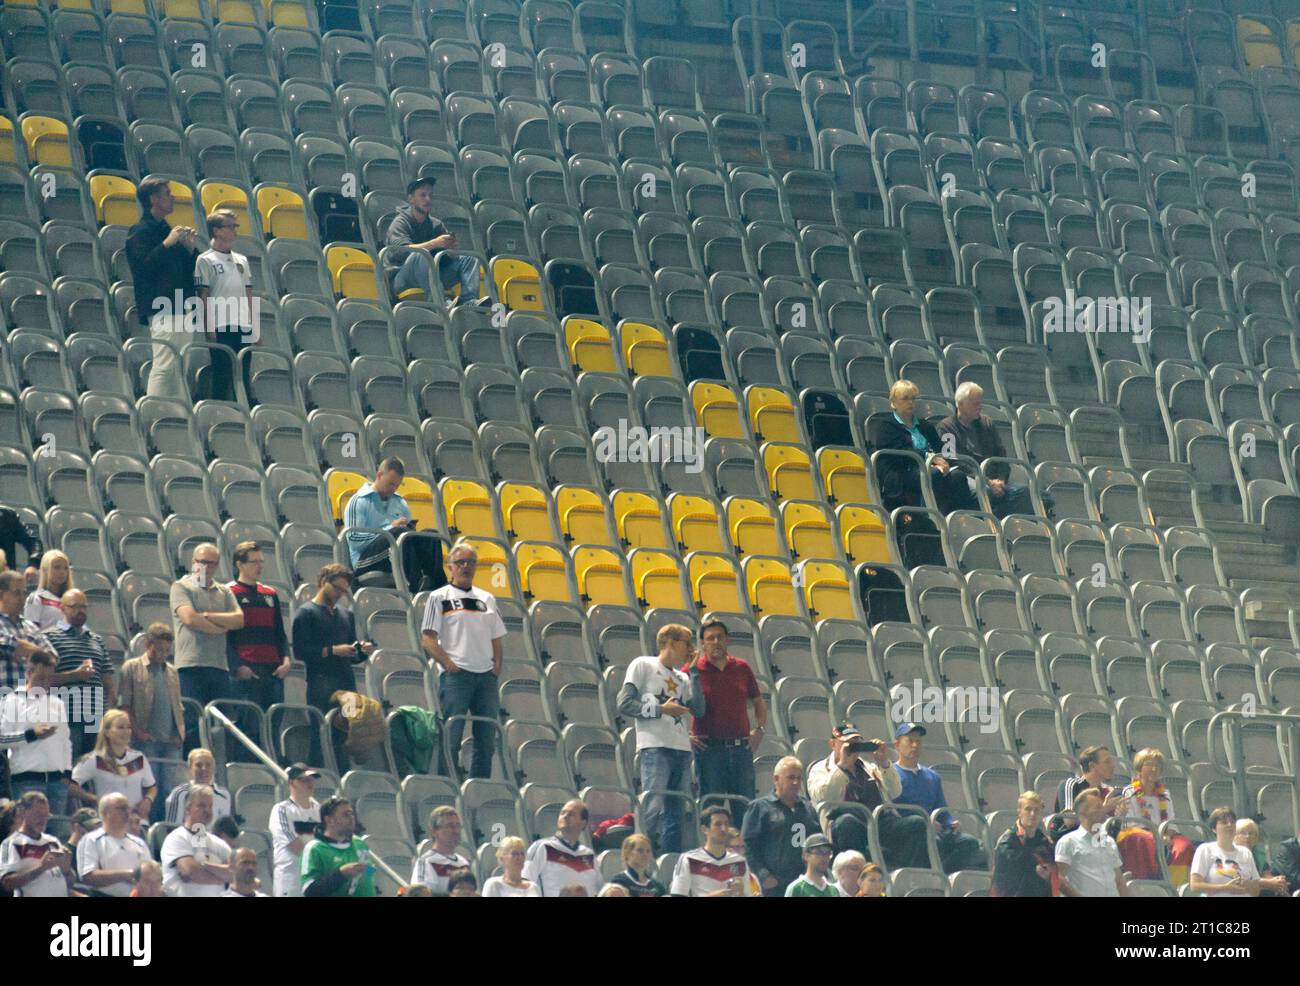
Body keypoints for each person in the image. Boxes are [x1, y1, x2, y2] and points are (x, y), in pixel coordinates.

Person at [420, 543, 507, 781]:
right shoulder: (438, 597)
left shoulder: (487, 598)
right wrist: (448, 664)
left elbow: (496, 636)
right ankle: (445, 783)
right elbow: (428, 638)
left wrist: (496, 666)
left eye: (470, 562)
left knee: (486, 740)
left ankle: (480, 785)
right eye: (460, 562)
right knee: (451, 735)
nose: (465, 566)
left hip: (485, 677)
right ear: (450, 567)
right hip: (456, 676)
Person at [618, 624, 705, 854]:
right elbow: (625, 703)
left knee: (675, 810)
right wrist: (661, 710)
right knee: (652, 805)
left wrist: (694, 672)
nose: (691, 649)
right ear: (671, 642)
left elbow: (699, 709)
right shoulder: (643, 664)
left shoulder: (683, 677)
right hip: (655, 746)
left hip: (681, 748)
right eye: (687, 643)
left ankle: (669, 859)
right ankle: (639, 856)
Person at [806, 722, 929, 869]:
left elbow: (895, 791)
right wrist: (842, 766)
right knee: (848, 822)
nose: (853, 748)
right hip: (846, 822)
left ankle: (908, 875)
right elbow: (822, 796)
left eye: (856, 743)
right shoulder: (819, 769)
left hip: (877, 821)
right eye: (848, 744)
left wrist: (884, 763)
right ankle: (856, 877)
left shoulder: (868, 767)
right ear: (833, 744)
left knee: (916, 823)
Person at [126, 177, 201, 399]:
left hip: (183, 305)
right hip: (162, 305)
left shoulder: (168, 230)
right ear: (154, 199)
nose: (173, 197)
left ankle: (179, 412)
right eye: (167, 194)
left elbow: (191, 269)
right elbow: (142, 268)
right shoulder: (140, 231)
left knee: (180, 367)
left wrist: (189, 249)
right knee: (165, 364)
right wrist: (167, 244)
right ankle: (154, 411)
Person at [688, 619, 766, 808]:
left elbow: (758, 701)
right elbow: (676, 705)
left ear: (727, 639)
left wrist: (759, 729)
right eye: (710, 638)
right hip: (708, 750)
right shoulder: (692, 670)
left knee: (745, 807)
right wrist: (685, 735)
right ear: (702, 643)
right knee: (711, 808)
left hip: (741, 749)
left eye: (719, 637)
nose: (716, 642)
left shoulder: (742, 667)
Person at [869, 379, 978, 514]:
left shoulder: (924, 425)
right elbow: (898, 455)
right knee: (935, 474)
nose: (911, 402)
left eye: (913, 398)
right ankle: (935, 519)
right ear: (893, 402)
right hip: (902, 471)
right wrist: (929, 458)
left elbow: (941, 448)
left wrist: (942, 460)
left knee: (957, 476)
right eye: (905, 398)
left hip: (931, 468)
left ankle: (962, 519)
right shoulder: (887, 426)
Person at [385, 175, 488, 309]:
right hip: (401, 279)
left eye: (430, 195)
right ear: (411, 199)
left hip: (431, 275)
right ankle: (439, 302)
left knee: (470, 258)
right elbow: (401, 251)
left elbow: (445, 259)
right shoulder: (400, 222)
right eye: (423, 195)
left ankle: (469, 301)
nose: (428, 199)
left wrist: (451, 250)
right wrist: (435, 243)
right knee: (421, 254)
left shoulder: (436, 224)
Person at [893, 722, 984, 872]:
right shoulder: (891, 775)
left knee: (969, 842)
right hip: (914, 831)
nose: (915, 745)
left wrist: (950, 821)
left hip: (937, 829)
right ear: (897, 745)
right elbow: (895, 811)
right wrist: (926, 822)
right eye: (910, 741)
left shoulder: (932, 776)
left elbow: (941, 808)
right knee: (933, 842)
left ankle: (942, 873)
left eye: (918, 741)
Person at [937, 382, 1034, 518]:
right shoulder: (945, 427)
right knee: (985, 492)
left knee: (1024, 493)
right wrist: (987, 481)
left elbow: (1001, 454)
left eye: (980, 402)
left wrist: (1001, 480)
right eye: (975, 403)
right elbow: (953, 461)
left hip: (995, 480)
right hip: (971, 477)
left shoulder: (987, 423)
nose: (980, 407)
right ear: (960, 404)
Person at [117, 623, 185, 807]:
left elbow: (177, 705)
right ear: (148, 644)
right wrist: (137, 731)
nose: (163, 653)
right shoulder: (131, 667)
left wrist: (179, 733)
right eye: (159, 649)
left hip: (170, 741)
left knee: (169, 789)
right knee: (149, 788)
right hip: (146, 740)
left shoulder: (172, 671)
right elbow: (125, 704)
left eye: (167, 650)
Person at [292, 564, 373, 715]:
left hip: (346, 681)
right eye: (337, 588)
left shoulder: (346, 615)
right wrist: (334, 650)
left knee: (350, 732)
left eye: (343, 590)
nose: (340, 593)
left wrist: (361, 650)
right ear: (323, 582)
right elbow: (300, 652)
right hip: (320, 682)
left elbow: (352, 656)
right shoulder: (305, 613)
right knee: (323, 731)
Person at [46, 589, 116, 760]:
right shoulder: (49, 637)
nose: (81, 611)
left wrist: (110, 713)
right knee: (70, 768)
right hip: (67, 717)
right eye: (75, 606)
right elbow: (43, 679)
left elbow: (107, 680)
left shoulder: (96, 640)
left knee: (95, 768)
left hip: (95, 718)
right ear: (62, 608)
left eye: (84, 606)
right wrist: (74, 675)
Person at [170, 543, 243, 707]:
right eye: (201, 562)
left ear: (217, 565)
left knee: (223, 721)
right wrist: (221, 627)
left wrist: (207, 616)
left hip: (219, 666)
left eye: (211, 563)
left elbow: (239, 620)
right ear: (193, 561)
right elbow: (189, 619)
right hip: (190, 665)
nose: (205, 567)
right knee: (191, 719)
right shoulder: (181, 586)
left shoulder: (224, 591)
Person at [0, 649, 72, 816]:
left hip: (57, 782)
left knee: (57, 835)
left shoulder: (57, 703)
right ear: (29, 673)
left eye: (49, 678)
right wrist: (31, 735)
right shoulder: (11, 701)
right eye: (41, 678)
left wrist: (67, 772)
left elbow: (66, 741)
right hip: (26, 780)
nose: (45, 683)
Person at [740, 755, 823, 897]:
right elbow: (748, 845)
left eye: (799, 778)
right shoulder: (759, 807)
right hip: (773, 885)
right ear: (776, 779)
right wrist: (763, 874)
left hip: (802, 883)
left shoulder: (807, 808)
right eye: (790, 777)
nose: (796, 782)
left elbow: (816, 841)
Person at [195, 209, 255, 402]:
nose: (234, 230)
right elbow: (203, 295)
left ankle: (246, 411)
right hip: (221, 324)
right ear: (217, 231)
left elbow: (248, 293)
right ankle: (219, 411)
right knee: (221, 373)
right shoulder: (205, 260)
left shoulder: (242, 260)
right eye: (230, 226)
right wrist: (209, 327)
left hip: (242, 323)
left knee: (243, 372)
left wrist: (254, 326)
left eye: (235, 226)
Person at [226, 541, 291, 711]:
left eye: (261, 561)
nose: (259, 566)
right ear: (239, 564)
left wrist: (286, 660)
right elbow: (225, 635)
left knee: (274, 723)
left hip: (273, 670)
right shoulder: (229, 593)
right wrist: (237, 666)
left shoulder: (270, 593)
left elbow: (279, 633)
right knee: (248, 726)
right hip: (247, 670)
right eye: (254, 562)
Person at [1116, 747, 1194, 884]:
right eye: (1149, 765)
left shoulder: (1165, 794)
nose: (1154, 769)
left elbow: (1170, 822)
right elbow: (1130, 824)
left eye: (1157, 766)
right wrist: (1157, 837)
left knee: (1184, 845)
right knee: (1143, 840)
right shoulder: (1129, 791)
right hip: (1136, 833)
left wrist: (1167, 836)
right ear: (1139, 768)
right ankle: (1145, 885)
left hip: (1162, 834)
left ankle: (1174, 886)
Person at [68, 709, 157, 822]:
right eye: (120, 727)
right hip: (109, 823)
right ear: (107, 732)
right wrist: (95, 799)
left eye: (128, 727)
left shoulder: (139, 758)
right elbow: (69, 785)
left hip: (137, 824)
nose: (126, 732)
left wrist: (148, 800)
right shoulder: (95, 759)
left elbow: (151, 786)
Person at [343, 457, 414, 582]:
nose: (394, 489)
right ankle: (414, 586)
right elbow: (354, 540)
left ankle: (438, 588)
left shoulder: (400, 502)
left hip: (395, 554)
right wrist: (390, 529)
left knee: (430, 538)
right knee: (398, 533)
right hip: (364, 561)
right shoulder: (359, 501)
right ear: (379, 475)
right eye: (391, 484)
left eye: (397, 486)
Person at [1054, 788, 1129, 897]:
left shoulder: (1109, 841)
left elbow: (1119, 880)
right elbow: (1058, 878)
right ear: (1083, 814)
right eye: (1098, 807)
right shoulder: (1068, 842)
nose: (1103, 809)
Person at [160, 784, 233, 897]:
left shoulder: (219, 844)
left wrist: (202, 865)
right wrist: (221, 876)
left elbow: (235, 874)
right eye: (202, 806)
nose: (207, 811)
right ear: (188, 808)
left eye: (210, 806)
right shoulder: (176, 838)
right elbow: (191, 871)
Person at [76, 792, 151, 898]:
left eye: (127, 808)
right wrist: (126, 875)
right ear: (106, 812)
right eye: (121, 808)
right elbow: (87, 876)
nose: (127, 812)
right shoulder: (91, 840)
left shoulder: (140, 843)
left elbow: (149, 873)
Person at [522, 798, 602, 897]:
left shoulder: (589, 855)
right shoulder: (542, 847)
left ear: (583, 823)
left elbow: (599, 891)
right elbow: (524, 883)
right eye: (563, 813)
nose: (565, 816)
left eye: (571, 814)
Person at [669, 805, 755, 897]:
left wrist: (741, 893)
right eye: (718, 824)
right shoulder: (689, 859)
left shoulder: (739, 861)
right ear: (704, 829)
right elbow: (677, 895)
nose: (724, 829)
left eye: (726, 824)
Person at [0, 791, 72, 897]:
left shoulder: (53, 841)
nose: (43, 820)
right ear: (23, 812)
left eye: (46, 815)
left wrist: (67, 870)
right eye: (38, 814)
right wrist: (41, 868)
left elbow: (70, 883)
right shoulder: (10, 844)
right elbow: (7, 883)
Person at [301, 796, 375, 897]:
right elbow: (309, 891)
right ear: (329, 820)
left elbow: (370, 872)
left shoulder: (359, 843)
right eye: (345, 814)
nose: (351, 818)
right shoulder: (315, 849)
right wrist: (341, 874)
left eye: (352, 813)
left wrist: (371, 870)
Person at [269, 763, 321, 898]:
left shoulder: (320, 810)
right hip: (290, 879)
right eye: (304, 779)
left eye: (311, 779)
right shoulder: (281, 810)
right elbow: (294, 845)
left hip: (315, 878)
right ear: (292, 783)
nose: (310, 783)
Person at [991, 791, 1054, 897]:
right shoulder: (1007, 841)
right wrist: (1036, 868)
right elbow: (1011, 876)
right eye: (1028, 809)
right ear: (1019, 812)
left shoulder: (1044, 841)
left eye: (1036, 810)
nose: (1033, 814)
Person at [1189, 806, 1260, 897]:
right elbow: (1195, 886)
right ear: (1214, 829)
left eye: (1232, 822)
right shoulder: (1205, 850)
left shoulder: (1245, 852)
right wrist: (1225, 888)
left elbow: (1256, 889)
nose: (1229, 825)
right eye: (1224, 823)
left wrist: (1249, 885)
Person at [411, 805, 473, 895]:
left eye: (458, 826)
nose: (456, 831)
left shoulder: (464, 863)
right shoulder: (426, 862)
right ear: (434, 831)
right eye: (450, 826)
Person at [164, 748, 232, 826]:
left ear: (214, 769)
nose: (204, 769)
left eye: (208, 765)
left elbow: (223, 831)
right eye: (198, 765)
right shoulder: (180, 793)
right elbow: (172, 828)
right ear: (190, 769)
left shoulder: (224, 795)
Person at [1055, 744, 1124, 815]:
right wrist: (1104, 809)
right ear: (1092, 766)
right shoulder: (1071, 785)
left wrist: (1120, 816)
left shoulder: (1107, 792)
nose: (1113, 765)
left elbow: (1108, 825)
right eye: (1107, 762)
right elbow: (1069, 821)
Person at [1234, 818, 1290, 895]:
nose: (1247, 836)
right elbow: (1240, 880)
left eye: (1251, 833)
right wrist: (1268, 883)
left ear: (1256, 837)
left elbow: (1267, 876)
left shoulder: (1258, 856)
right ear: (1235, 836)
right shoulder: (1232, 856)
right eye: (1243, 833)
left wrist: (1278, 881)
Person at [23, 549, 73, 631]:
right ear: (45, 570)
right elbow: (30, 632)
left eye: (65, 568)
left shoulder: (72, 600)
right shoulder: (36, 598)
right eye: (57, 567)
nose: (62, 572)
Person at [608, 833, 668, 897]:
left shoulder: (657, 886)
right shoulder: (619, 882)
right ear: (627, 853)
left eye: (648, 851)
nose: (645, 854)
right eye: (640, 850)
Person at [783, 832, 839, 897]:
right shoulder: (797, 888)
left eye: (828, 853)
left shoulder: (834, 890)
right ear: (806, 856)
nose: (824, 857)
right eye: (819, 852)